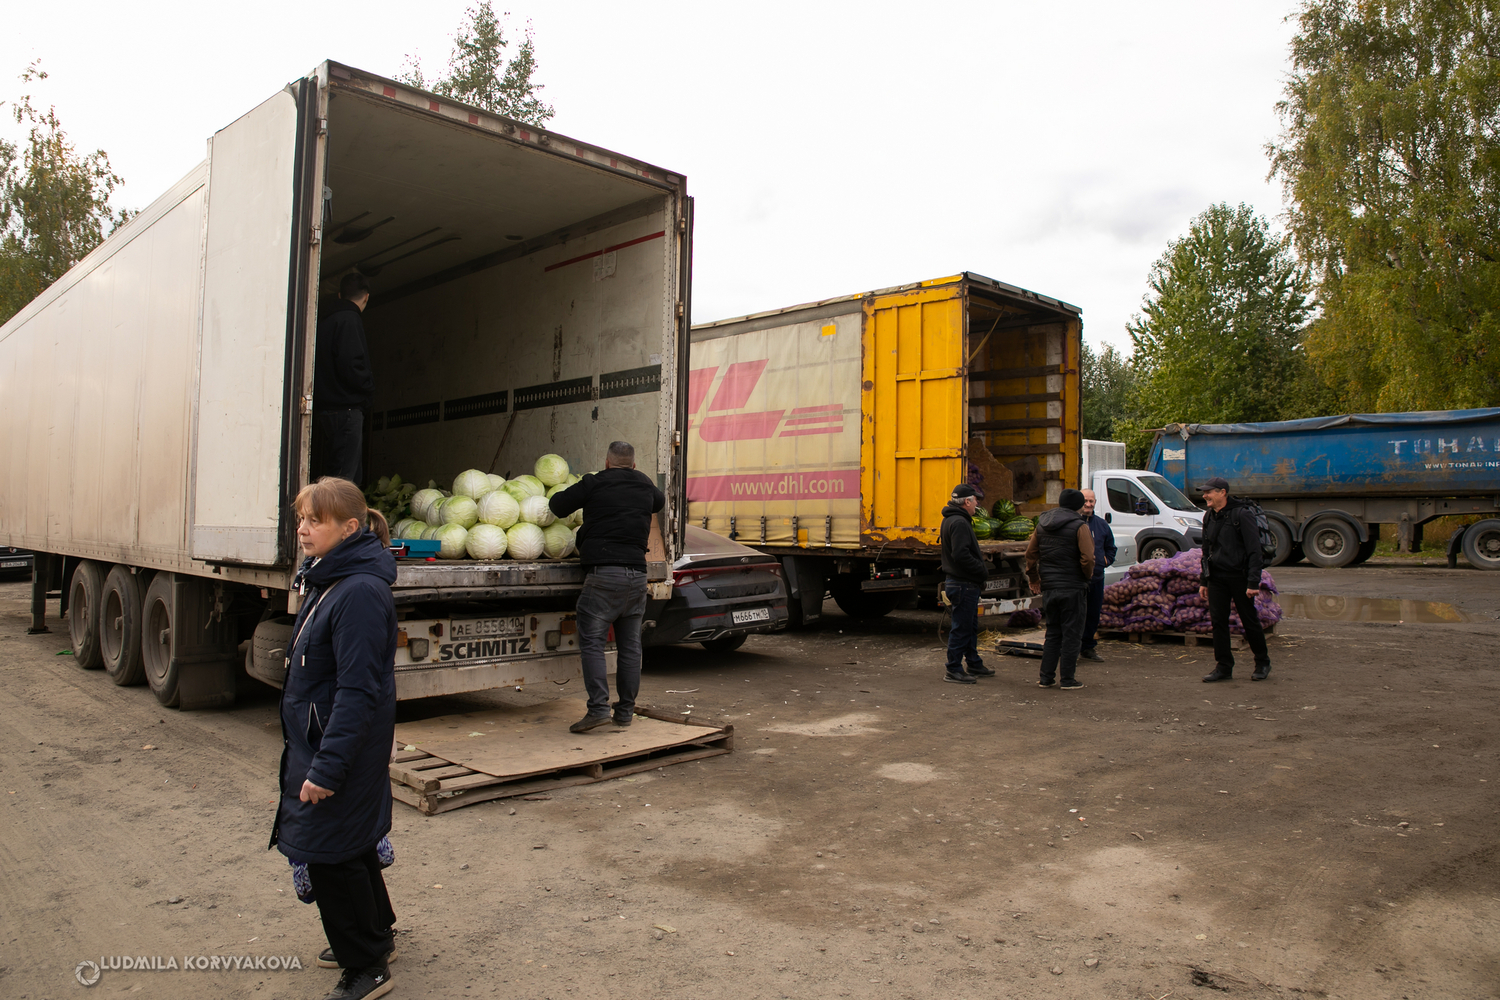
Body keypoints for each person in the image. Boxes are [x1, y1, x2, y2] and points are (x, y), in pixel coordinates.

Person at [270, 477, 399, 1000]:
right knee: (352, 842)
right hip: (326, 740)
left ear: (349, 528)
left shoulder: (358, 591)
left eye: (315, 521)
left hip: (337, 747)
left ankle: (365, 967)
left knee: (329, 851)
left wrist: (327, 767)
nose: (303, 530)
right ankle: (377, 936)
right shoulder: (331, 577)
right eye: (301, 519)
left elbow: (357, 690)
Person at [548, 441, 666, 733]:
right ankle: (624, 712)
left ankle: (598, 709)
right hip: (637, 577)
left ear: (607, 462)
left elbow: (557, 506)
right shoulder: (644, 485)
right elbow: (659, 502)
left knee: (592, 644)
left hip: (604, 576)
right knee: (630, 648)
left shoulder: (594, 482)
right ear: (634, 464)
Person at [1197, 477, 1272, 682]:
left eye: (1209, 492)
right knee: (1218, 622)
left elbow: (1254, 550)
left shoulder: (1242, 514)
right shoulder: (1209, 516)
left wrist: (1253, 582)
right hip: (1216, 578)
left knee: (1249, 621)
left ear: (1222, 492)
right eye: (1204, 492)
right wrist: (1204, 580)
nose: (1205, 496)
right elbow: (1206, 550)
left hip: (1239, 577)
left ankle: (1262, 663)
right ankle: (1223, 667)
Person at [1025, 488, 1096, 689]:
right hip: (1073, 587)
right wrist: (1086, 576)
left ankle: (1046, 678)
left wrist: (1034, 578)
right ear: (1079, 505)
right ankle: (1067, 679)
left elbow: (1030, 555)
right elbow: (1088, 558)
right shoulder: (1080, 526)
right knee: (1072, 634)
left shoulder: (1042, 525)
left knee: (1053, 633)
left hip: (1050, 587)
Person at [312, 273, 376, 487]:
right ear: (366, 297)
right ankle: (334, 510)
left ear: (340, 295)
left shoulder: (325, 321)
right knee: (345, 478)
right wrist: (368, 389)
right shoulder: (349, 319)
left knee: (340, 471)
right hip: (346, 408)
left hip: (327, 408)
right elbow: (351, 364)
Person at [938, 484, 993, 684]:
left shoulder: (951, 519)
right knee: (962, 628)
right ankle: (953, 669)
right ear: (967, 502)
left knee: (969, 626)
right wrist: (981, 570)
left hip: (961, 583)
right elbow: (961, 555)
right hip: (963, 583)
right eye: (975, 500)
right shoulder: (959, 522)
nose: (977, 504)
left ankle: (974, 663)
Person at [1078, 488, 1117, 662]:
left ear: (1095, 502)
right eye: (1085, 501)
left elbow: (1111, 548)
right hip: (1078, 579)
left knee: (1093, 614)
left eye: (1091, 501)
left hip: (1097, 578)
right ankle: (1072, 648)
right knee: (1076, 615)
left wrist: (1105, 561)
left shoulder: (1101, 525)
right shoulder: (1074, 524)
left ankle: (1088, 647)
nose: (1088, 504)